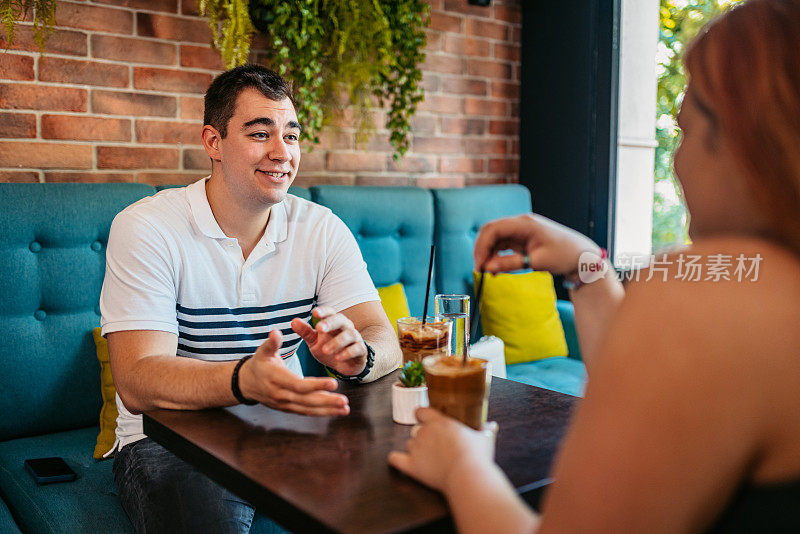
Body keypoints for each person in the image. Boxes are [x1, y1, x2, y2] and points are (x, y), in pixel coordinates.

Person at [389, 0, 800, 531]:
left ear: (749, 140)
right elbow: (653, 410)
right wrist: (586, 266)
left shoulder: (709, 291)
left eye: (685, 129)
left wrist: (462, 464)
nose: (675, 162)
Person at [100, 64, 401, 533]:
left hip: (287, 428)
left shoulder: (321, 229)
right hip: (166, 440)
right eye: (261, 133)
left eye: (292, 136)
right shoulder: (148, 228)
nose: (282, 152)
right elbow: (137, 382)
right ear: (213, 142)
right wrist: (244, 381)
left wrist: (361, 355)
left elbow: (385, 339)